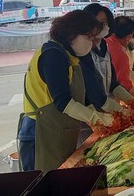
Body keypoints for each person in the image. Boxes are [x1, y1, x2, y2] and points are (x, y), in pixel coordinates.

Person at [18, 10, 114, 172]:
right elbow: (63, 102)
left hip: (58, 130)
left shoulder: (70, 57)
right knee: (42, 182)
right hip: (39, 132)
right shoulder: (52, 55)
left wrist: (104, 117)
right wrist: (97, 118)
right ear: (71, 34)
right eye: (88, 37)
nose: (91, 43)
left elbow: (83, 98)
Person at [82, 3, 134, 104]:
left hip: (108, 105)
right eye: (99, 23)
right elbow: (91, 90)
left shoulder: (105, 46)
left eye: (106, 23)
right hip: (90, 110)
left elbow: (113, 82)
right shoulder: (82, 51)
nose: (104, 26)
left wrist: (132, 101)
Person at [105, 17, 134, 98]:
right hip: (109, 98)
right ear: (129, 36)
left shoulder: (105, 41)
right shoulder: (120, 54)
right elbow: (125, 85)